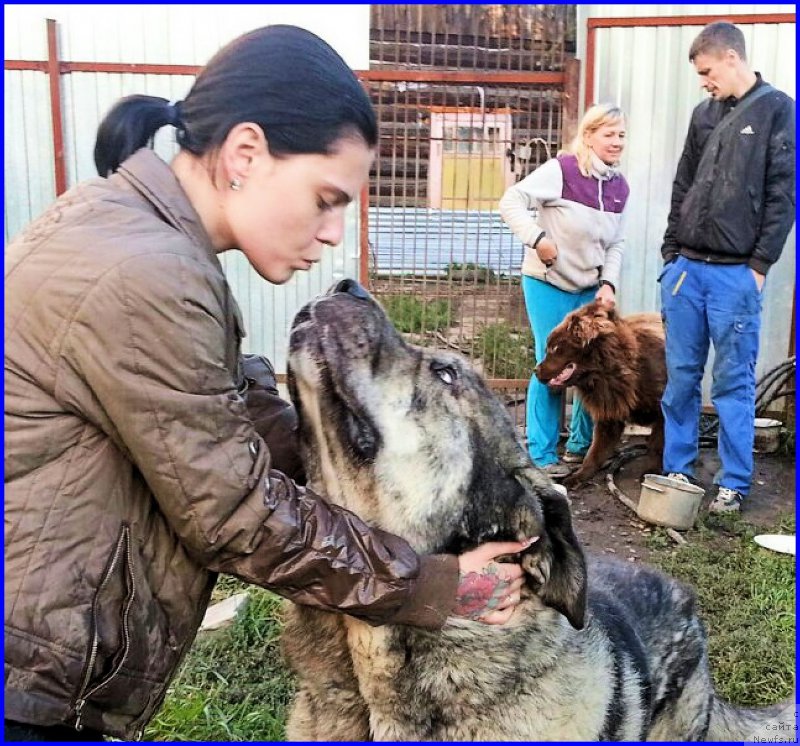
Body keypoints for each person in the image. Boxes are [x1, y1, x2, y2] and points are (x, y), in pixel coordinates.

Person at [4, 25, 535, 742]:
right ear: (246, 154)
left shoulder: (141, 239)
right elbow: (237, 516)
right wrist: (438, 586)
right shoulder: (145, 274)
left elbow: (235, 422)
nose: (332, 233)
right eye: (325, 198)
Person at [659, 21, 795, 513]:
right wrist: (670, 254)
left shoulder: (779, 110)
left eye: (708, 71)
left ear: (732, 59)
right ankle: (678, 470)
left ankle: (734, 483)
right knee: (680, 379)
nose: (705, 81)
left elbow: (784, 194)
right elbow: (682, 185)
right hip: (686, 272)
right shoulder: (703, 114)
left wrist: (759, 265)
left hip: (735, 274)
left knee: (733, 383)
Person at [499, 103, 630, 479]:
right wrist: (537, 239)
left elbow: (616, 244)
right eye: (609, 134)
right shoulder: (562, 171)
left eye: (621, 135)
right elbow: (510, 201)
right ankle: (541, 453)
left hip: (589, 287)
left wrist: (609, 283)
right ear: (589, 136)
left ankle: (579, 447)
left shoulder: (619, 187)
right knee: (552, 361)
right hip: (548, 282)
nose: (617, 142)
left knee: (591, 365)